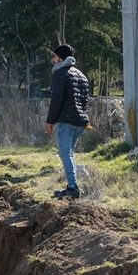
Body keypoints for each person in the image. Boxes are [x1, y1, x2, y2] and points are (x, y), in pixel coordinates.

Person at [45, 44, 90, 199]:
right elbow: (85, 101)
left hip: (67, 121)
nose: (53, 60)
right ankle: (71, 186)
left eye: (55, 57)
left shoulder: (60, 74)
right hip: (80, 122)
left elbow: (56, 100)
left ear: (61, 58)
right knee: (68, 154)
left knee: (65, 154)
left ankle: (73, 188)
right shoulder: (81, 75)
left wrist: (50, 121)